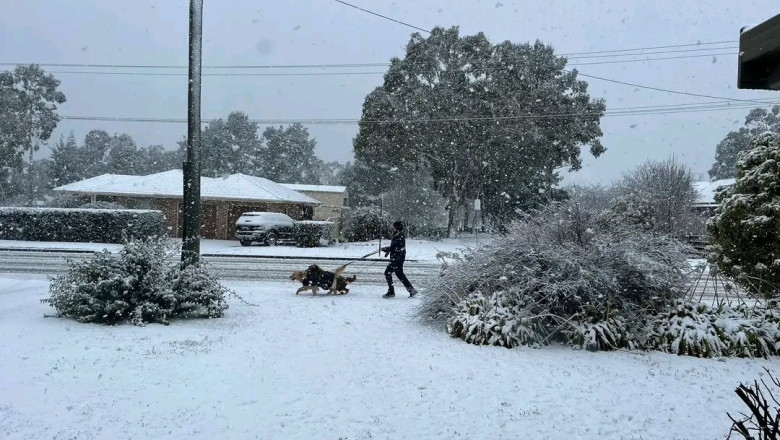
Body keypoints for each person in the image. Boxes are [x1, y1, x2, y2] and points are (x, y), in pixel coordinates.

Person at [381, 220, 418, 298]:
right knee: (400, 274)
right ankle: (411, 290)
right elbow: (395, 247)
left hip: (397, 258)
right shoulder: (397, 234)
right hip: (397, 258)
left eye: (393, 226)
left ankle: (391, 292)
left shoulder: (399, 235)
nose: (392, 228)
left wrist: (388, 249)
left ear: (397, 227)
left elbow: (398, 248)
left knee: (387, 273)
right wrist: (388, 250)